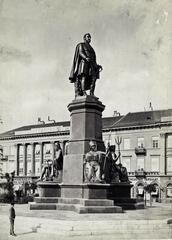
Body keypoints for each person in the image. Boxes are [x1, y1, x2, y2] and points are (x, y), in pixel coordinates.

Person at [69, 33, 102, 97]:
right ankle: (83, 92)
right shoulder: (81, 45)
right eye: (88, 37)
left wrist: (97, 65)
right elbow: (80, 52)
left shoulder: (91, 48)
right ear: (84, 38)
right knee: (84, 77)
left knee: (93, 79)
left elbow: (93, 58)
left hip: (91, 65)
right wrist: (86, 58)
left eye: (90, 37)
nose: (89, 38)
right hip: (84, 63)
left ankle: (92, 93)